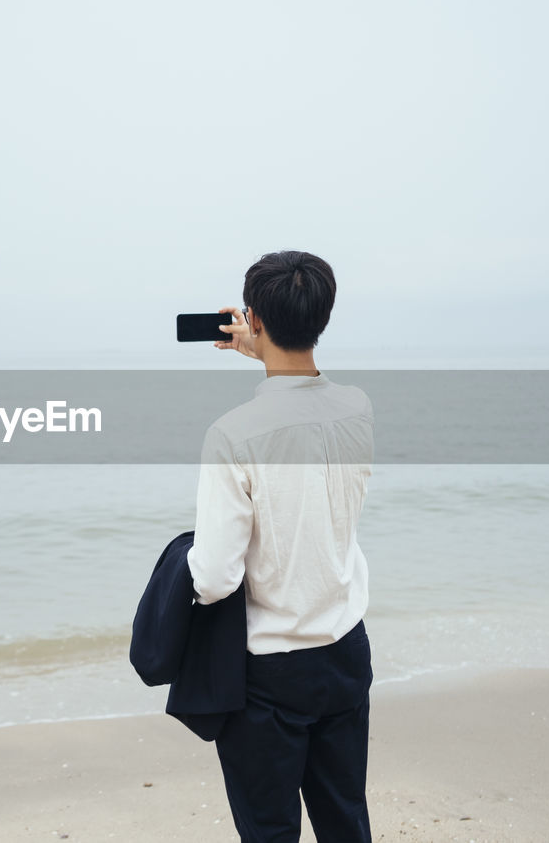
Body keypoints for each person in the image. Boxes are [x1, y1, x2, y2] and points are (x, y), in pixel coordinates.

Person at [187, 250, 374, 842]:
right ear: (323, 317)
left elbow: (214, 578)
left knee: (269, 832)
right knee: (345, 820)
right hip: (345, 651)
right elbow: (303, 397)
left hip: (270, 673)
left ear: (254, 318)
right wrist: (264, 346)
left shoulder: (232, 434)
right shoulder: (358, 410)